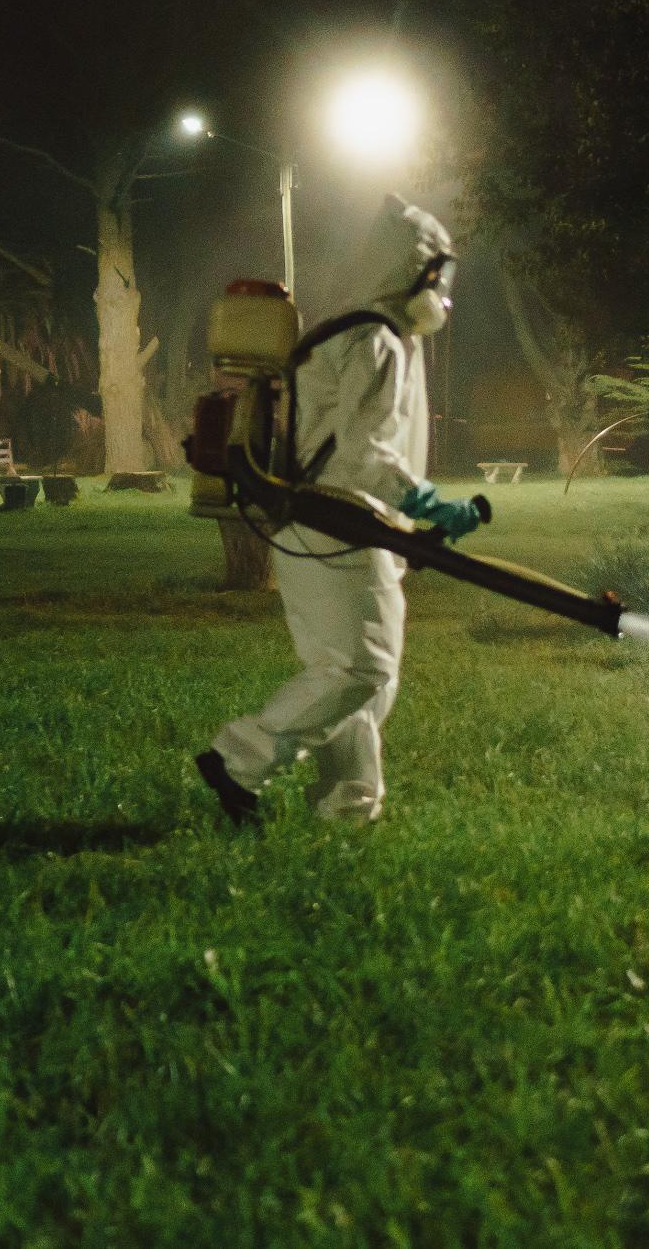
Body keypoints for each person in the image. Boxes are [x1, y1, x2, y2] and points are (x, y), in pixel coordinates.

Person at [196, 194, 479, 825]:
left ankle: (349, 808)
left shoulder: (378, 334)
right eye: (439, 274)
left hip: (353, 526)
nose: (442, 291)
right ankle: (238, 758)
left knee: (367, 679)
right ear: (413, 269)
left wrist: (408, 515)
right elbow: (362, 452)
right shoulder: (372, 339)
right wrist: (425, 500)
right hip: (334, 524)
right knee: (358, 669)